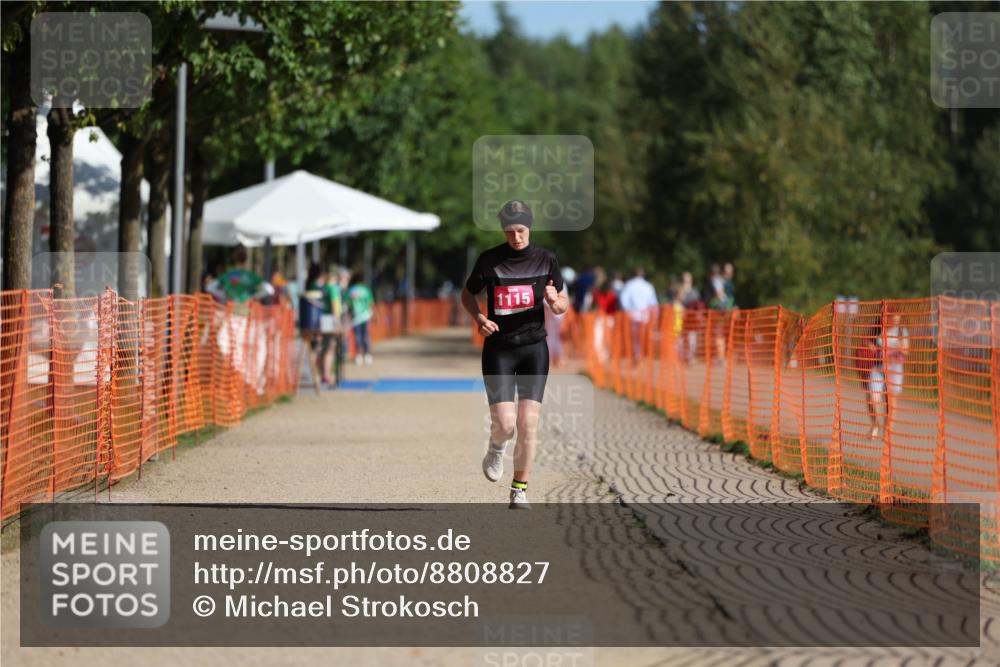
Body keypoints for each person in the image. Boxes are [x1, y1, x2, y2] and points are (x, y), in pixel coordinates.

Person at [461, 200, 568, 510]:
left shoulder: (546, 259)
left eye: (520, 231)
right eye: (509, 232)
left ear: (529, 228)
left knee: (528, 423)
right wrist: (479, 318)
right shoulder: (489, 260)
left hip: (534, 348)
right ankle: (497, 446)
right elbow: (467, 294)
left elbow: (561, 306)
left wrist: (553, 300)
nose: (516, 237)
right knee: (506, 424)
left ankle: (519, 490)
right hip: (499, 348)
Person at [859, 312, 910, 439]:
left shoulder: (901, 331)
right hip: (878, 366)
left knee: (890, 401)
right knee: (872, 397)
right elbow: (865, 340)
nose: (895, 321)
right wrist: (871, 346)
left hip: (894, 368)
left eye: (897, 319)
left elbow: (906, 350)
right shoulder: (878, 328)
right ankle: (876, 424)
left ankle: (888, 431)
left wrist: (896, 347)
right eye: (893, 318)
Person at [618, 267, 659, 364]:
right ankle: (641, 354)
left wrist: (627, 310)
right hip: (645, 315)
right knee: (643, 335)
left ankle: (637, 354)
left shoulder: (629, 285)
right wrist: (655, 315)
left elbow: (623, 299)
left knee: (634, 336)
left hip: (633, 315)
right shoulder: (648, 286)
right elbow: (653, 302)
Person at [206, 247, 273, 305]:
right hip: (245, 308)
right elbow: (270, 290)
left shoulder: (228, 274)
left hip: (229, 307)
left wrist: (223, 296)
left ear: (234, 259)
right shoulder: (251, 276)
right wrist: (254, 297)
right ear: (245, 260)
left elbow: (209, 287)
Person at [347, 274, 375, 365]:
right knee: (366, 335)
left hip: (355, 317)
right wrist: (374, 314)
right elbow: (371, 302)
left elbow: (347, 303)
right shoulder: (366, 290)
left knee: (357, 336)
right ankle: (367, 355)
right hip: (365, 316)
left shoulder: (351, 290)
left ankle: (358, 356)